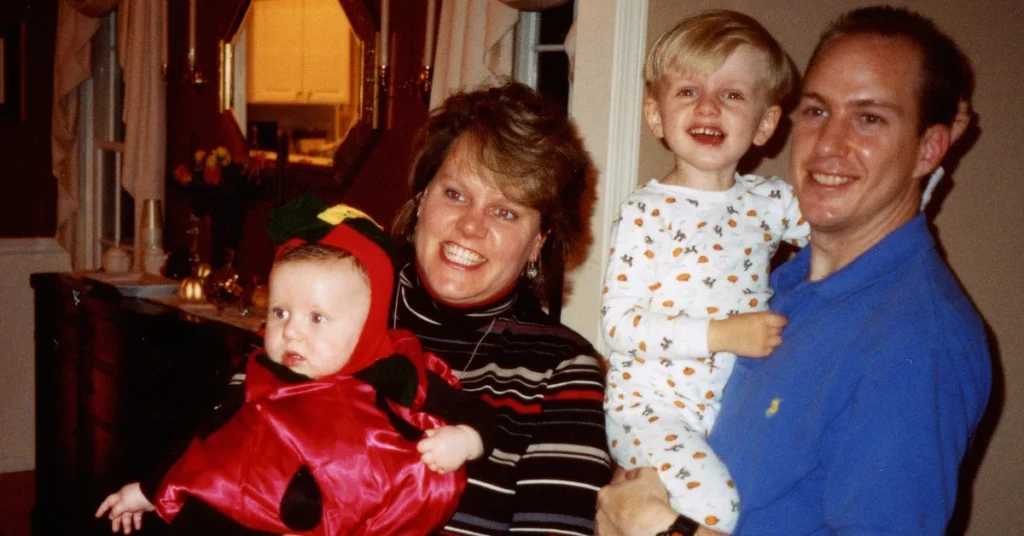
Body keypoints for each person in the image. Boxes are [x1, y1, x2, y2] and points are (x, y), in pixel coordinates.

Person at [595, 6, 991, 536]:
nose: (829, 144)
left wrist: (662, 530)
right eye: (816, 111)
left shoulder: (916, 340)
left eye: (870, 117)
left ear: (929, 147)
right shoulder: (781, 287)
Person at [96, 204, 493, 535]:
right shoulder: (264, 379)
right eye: (281, 312)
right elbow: (205, 438)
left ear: (368, 323)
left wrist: (466, 439)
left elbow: (480, 415)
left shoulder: (397, 372)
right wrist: (149, 490)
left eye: (317, 318)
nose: (291, 333)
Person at [601, 10, 807, 533]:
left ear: (765, 124)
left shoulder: (773, 202)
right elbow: (620, 326)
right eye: (688, 91)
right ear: (656, 116)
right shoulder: (647, 211)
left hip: (727, 409)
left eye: (733, 94)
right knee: (716, 510)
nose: (709, 106)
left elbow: (853, 238)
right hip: (649, 411)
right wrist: (722, 335)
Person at [390, 81, 613, 535]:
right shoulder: (333, 302)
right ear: (421, 201)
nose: (471, 225)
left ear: (539, 241)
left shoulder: (561, 370)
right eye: (455, 194)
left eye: (505, 212)